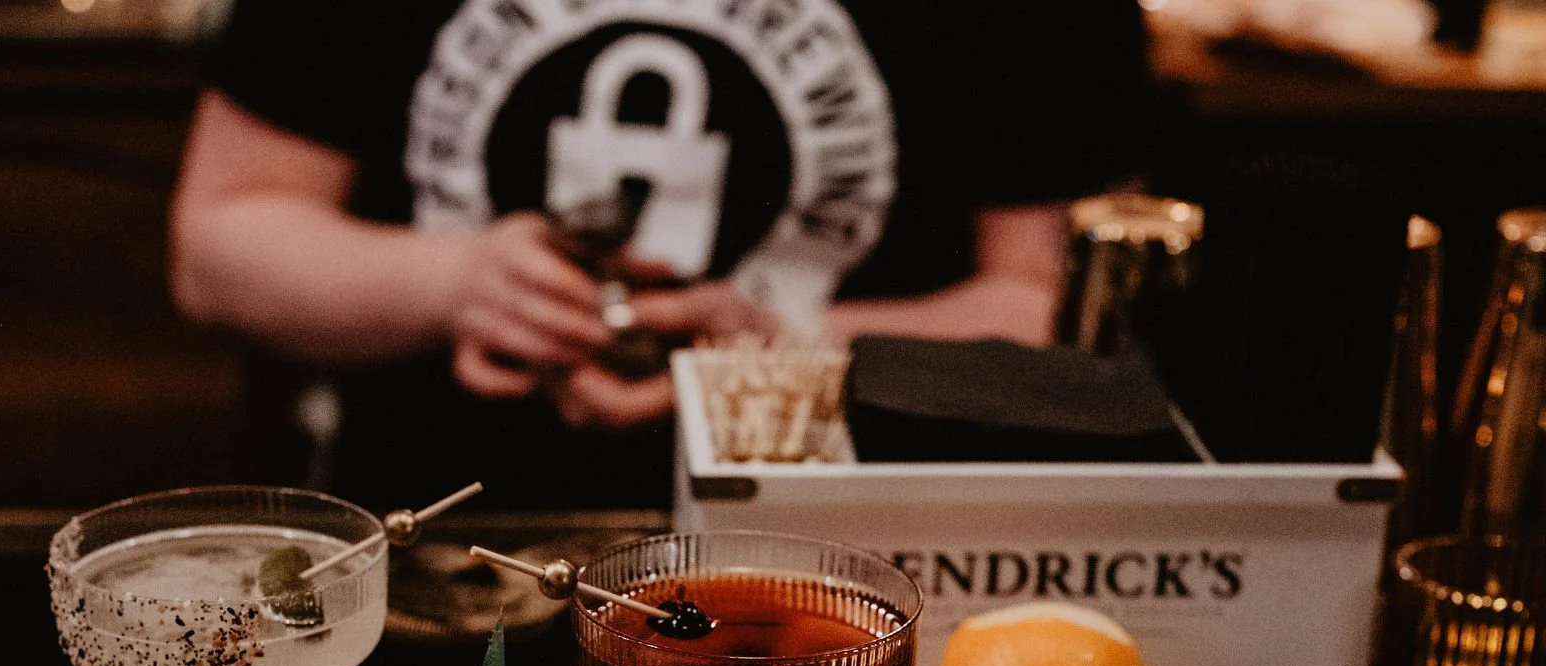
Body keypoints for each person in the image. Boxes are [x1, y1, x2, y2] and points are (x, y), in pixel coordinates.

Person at [172, 1, 1145, 509]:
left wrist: (780, 347)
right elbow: (219, 245)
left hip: (866, 566)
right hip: (455, 561)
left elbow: (1052, 305)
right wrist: (456, 282)